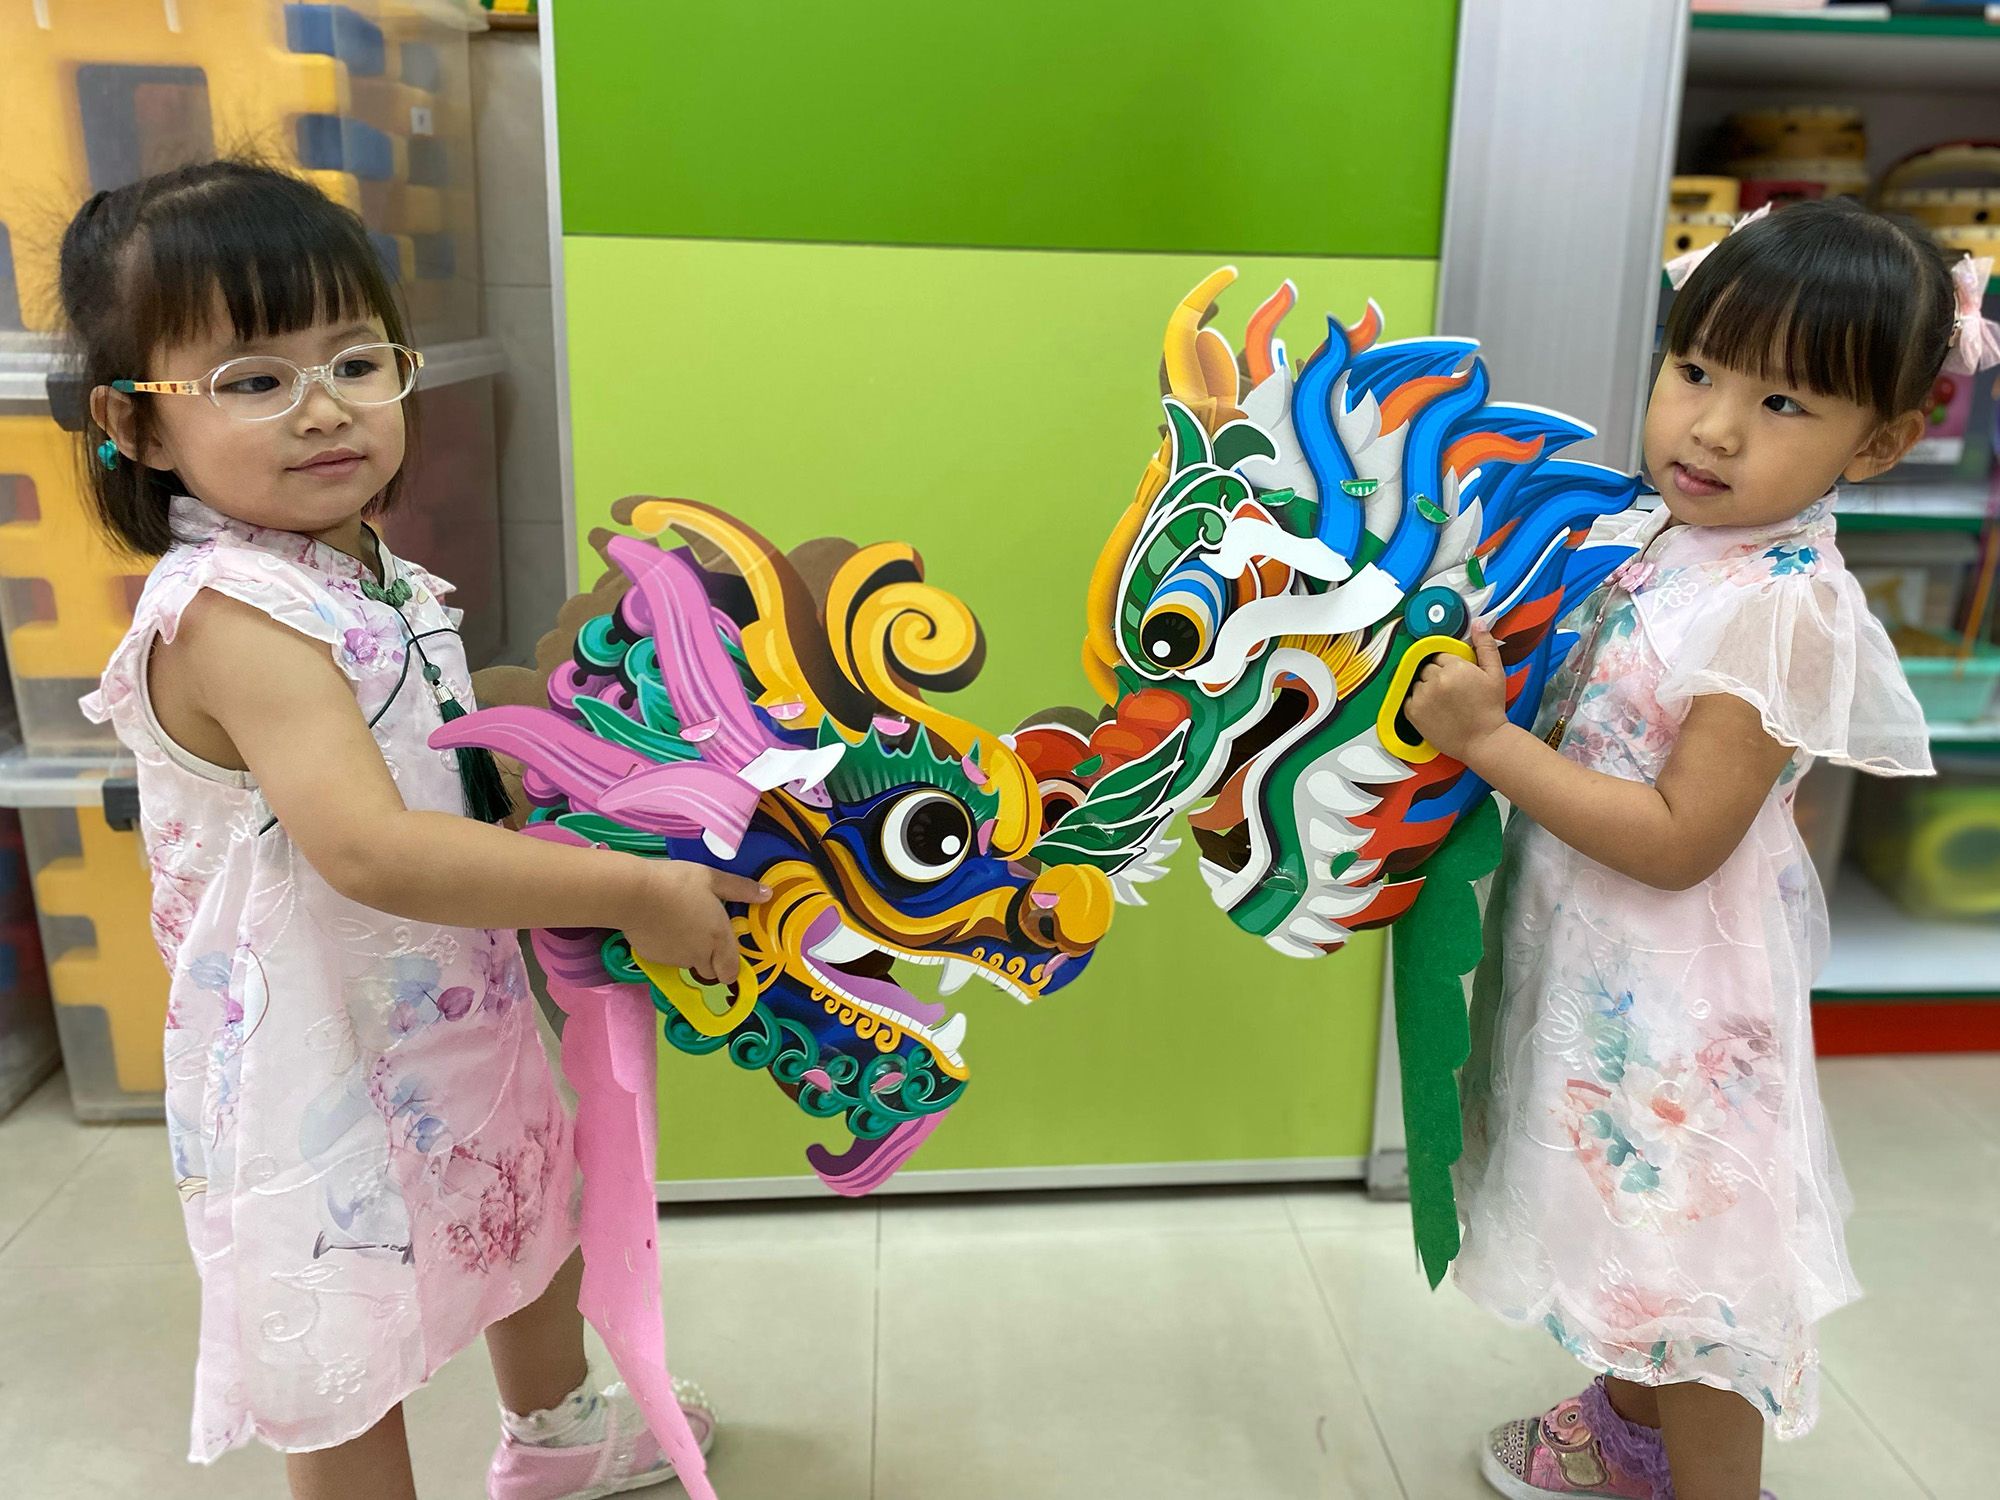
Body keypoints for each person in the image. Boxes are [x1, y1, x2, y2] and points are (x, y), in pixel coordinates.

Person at [67, 159, 764, 1500]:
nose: (324, 407)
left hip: (443, 994)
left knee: (527, 1198)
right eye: (254, 380)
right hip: (313, 1044)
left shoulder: (357, 566)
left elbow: (431, 733)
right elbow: (371, 846)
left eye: (355, 361)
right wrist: (629, 890)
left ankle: (555, 1435)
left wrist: (569, 743)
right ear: (137, 425)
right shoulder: (235, 615)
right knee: (345, 1324)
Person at [1408, 198, 1996, 1500]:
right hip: (1598, 962)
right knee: (1616, 1230)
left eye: (1783, 403)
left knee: (1689, 1280)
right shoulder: (1662, 533)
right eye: (1694, 370)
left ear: (1882, 442)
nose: (1714, 427)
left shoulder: (1780, 610)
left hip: (1678, 999)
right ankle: (1628, 1437)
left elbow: (1680, 841)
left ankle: (1710, 1480)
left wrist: (1487, 743)